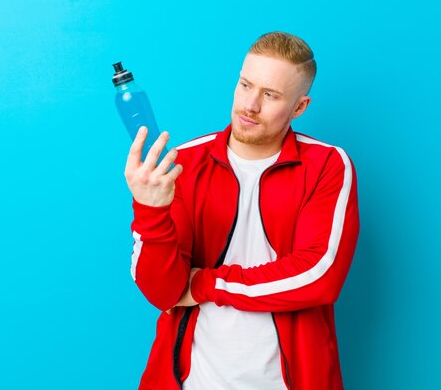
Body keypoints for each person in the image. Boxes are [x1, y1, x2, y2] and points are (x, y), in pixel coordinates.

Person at [124, 31, 360, 390]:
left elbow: (317, 276)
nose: (250, 105)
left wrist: (205, 284)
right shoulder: (185, 164)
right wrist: (150, 210)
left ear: (299, 107)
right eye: (245, 85)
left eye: (270, 95)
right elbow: (163, 293)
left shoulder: (326, 165)